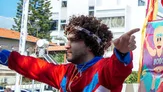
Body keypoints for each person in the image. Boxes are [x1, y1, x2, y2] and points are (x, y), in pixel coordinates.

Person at [0, 15, 138, 92]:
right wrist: (2, 55)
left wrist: (121, 52)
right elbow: (32, 66)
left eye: (72, 41)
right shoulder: (65, 72)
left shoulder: (104, 69)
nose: (66, 46)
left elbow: (118, 68)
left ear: (90, 45)